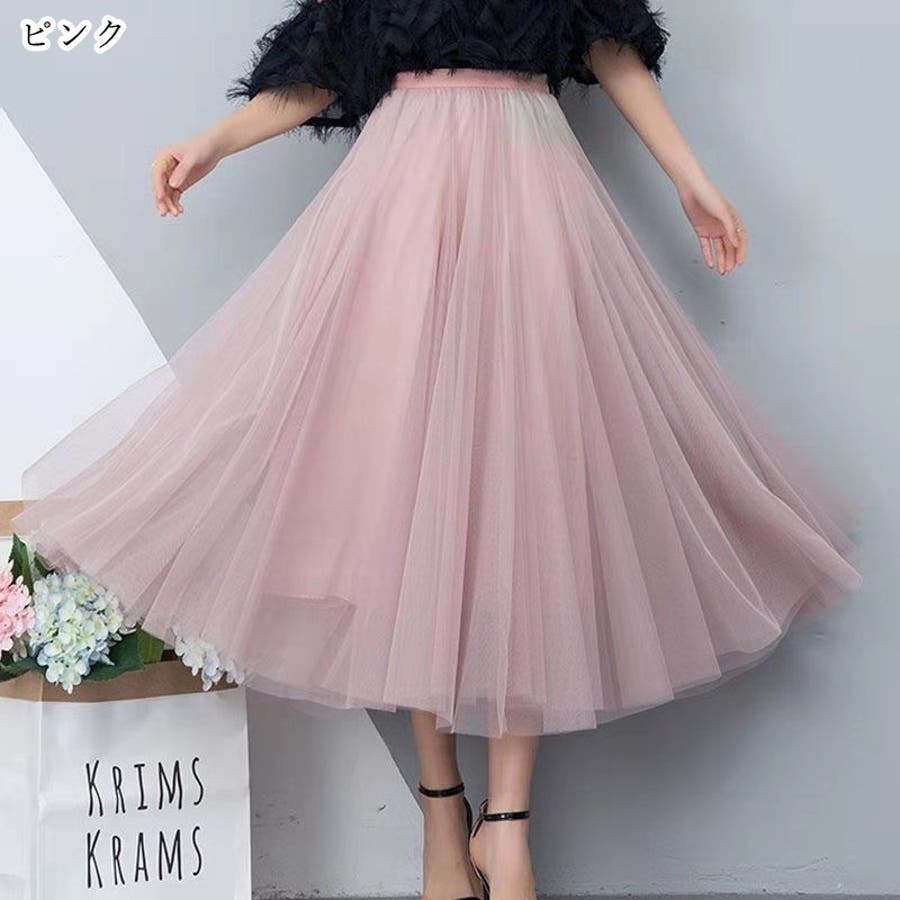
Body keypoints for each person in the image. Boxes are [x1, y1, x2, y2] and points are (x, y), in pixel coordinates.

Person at [12, 2, 863, 898]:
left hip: (533, 194)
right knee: (409, 484)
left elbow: (610, 46)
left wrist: (692, 180)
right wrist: (214, 142)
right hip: (404, 200)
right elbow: (328, 62)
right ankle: (443, 813)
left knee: (530, 487)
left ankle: (509, 827)